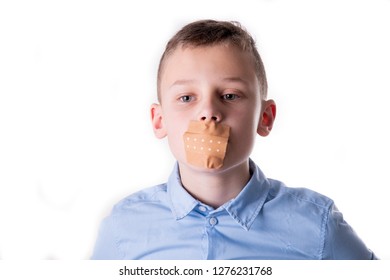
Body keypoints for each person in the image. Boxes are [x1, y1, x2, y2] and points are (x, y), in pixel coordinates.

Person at [91, 19, 377, 260]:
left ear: (265, 117)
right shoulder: (123, 228)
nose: (208, 112)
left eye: (229, 95)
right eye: (187, 97)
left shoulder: (317, 225)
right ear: (159, 119)